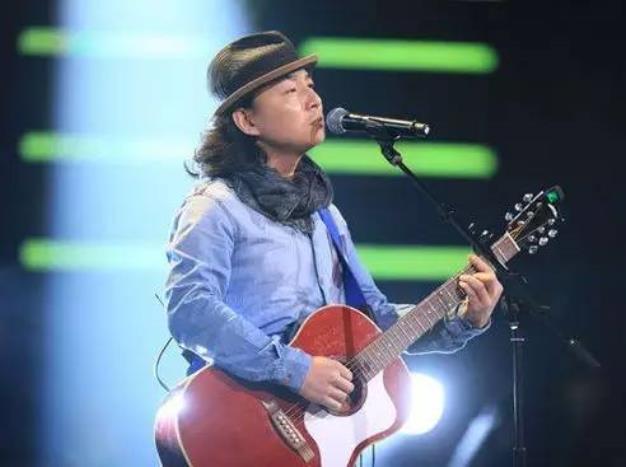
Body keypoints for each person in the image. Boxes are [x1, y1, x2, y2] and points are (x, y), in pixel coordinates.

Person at [164, 31, 503, 413]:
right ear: (247, 120)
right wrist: (298, 371)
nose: (314, 100)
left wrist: (462, 318)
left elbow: (378, 324)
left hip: (324, 430)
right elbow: (190, 310)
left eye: (310, 85)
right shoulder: (216, 207)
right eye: (290, 91)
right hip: (243, 423)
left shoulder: (325, 214)